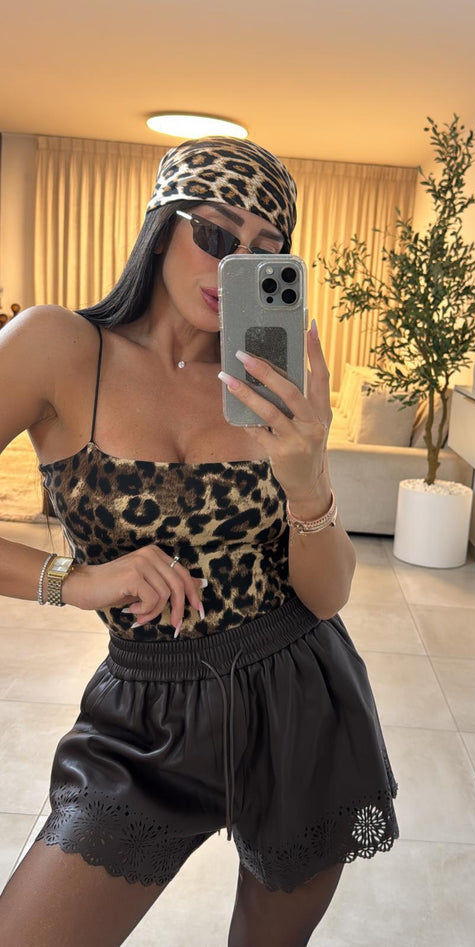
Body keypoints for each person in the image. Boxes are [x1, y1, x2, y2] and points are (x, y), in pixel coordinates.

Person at [0, 136, 398, 947]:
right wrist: (73, 579)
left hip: (300, 696)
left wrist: (307, 479)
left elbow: (326, 594)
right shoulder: (56, 347)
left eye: (263, 250)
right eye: (214, 233)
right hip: (143, 716)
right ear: (161, 228)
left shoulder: (271, 388)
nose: (232, 265)